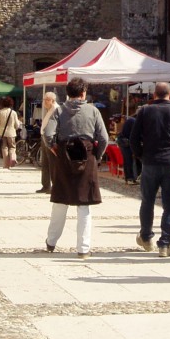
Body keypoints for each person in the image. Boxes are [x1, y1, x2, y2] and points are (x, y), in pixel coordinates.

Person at [43, 77, 108, 257]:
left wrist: (54, 148)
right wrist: (97, 155)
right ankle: (83, 248)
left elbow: (48, 134)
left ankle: (51, 242)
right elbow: (103, 138)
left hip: (64, 156)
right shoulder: (93, 111)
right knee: (84, 204)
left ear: (68, 93)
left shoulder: (59, 111)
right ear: (83, 93)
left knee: (60, 202)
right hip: (86, 157)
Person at [130, 81, 170, 257]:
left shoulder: (145, 111)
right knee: (169, 203)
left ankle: (146, 236)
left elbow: (133, 138)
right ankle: (165, 243)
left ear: (154, 95)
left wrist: (141, 155)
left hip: (150, 160)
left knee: (147, 200)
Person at [37, 91, 58, 194]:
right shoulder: (49, 109)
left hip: (51, 139)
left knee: (52, 163)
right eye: (44, 99)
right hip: (44, 137)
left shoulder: (56, 110)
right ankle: (45, 186)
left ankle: (54, 186)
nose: (44, 102)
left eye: (47, 100)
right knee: (45, 163)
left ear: (52, 101)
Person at [0, 96, 19, 169]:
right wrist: (16, 128)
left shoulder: (0, 112)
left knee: (4, 147)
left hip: (2, 132)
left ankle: (6, 165)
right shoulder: (13, 113)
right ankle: (13, 158)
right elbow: (17, 124)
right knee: (12, 147)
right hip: (11, 132)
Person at [117, 109, 141, 185]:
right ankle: (130, 178)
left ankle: (131, 178)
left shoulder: (132, 120)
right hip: (126, 143)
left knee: (128, 160)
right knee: (129, 160)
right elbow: (134, 135)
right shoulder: (133, 121)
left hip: (124, 142)